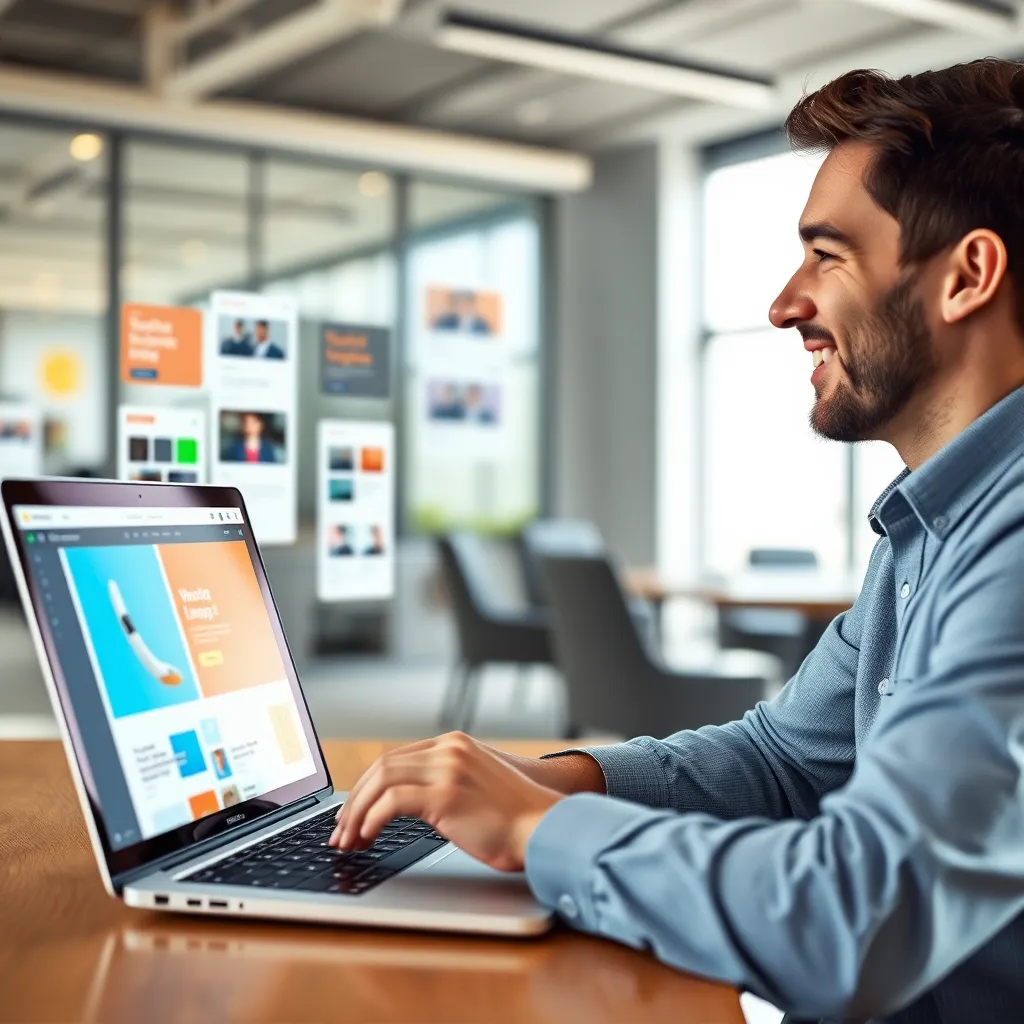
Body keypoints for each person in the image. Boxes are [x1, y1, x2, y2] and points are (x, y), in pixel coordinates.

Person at [329, 60, 1024, 1023]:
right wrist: (548, 778)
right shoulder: (928, 525)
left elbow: (853, 922)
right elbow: (786, 763)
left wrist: (543, 827)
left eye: (827, 256)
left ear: (968, 277)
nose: (786, 304)